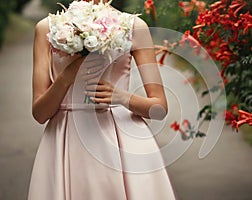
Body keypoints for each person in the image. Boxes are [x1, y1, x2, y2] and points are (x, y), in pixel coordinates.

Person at [28, 0, 176, 199]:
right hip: (65, 139)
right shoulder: (47, 28)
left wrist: (121, 97)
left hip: (121, 139)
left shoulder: (134, 27)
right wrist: (65, 78)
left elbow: (159, 108)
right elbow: (39, 114)